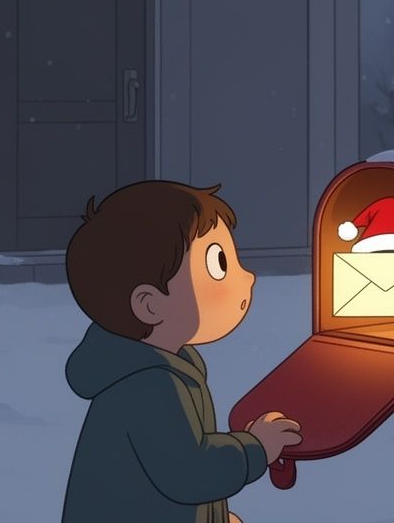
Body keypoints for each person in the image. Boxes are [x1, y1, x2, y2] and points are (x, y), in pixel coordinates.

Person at [61, 180, 302, 523]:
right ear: (150, 306)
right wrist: (256, 449)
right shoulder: (147, 384)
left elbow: (176, 474)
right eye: (218, 265)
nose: (247, 277)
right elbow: (190, 472)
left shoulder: (168, 366)